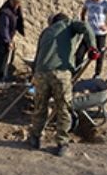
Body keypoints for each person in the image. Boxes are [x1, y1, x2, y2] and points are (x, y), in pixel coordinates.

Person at [28, 13, 98, 157]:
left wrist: (33, 74)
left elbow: (37, 55)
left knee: (40, 106)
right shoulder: (70, 24)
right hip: (61, 73)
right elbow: (86, 26)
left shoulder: (46, 32)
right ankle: (62, 144)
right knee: (63, 108)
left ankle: (35, 138)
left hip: (41, 74)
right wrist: (92, 47)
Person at [0, 0, 25, 86]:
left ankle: (5, 76)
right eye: (15, 4)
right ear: (11, 1)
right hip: (1, 39)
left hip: (9, 37)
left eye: (18, 4)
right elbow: (4, 29)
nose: (17, 6)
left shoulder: (15, 9)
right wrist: (8, 41)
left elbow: (18, 20)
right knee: (1, 59)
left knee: (8, 57)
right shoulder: (5, 13)